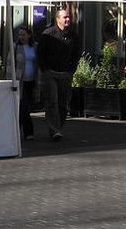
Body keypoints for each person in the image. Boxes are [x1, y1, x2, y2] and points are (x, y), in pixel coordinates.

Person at [37, 8, 82, 141]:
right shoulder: (48, 34)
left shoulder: (73, 35)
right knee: (52, 102)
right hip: (50, 73)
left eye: (68, 17)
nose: (67, 20)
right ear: (57, 20)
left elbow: (77, 53)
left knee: (63, 104)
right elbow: (40, 54)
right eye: (64, 17)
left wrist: (72, 69)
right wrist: (44, 69)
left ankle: (58, 127)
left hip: (65, 73)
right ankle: (54, 130)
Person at [14, 26, 38, 140]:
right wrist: (10, 81)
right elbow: (10, 65)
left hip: (32, 81)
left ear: (29, 35)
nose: (21, 37)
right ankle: (27, 132)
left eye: (23, 35)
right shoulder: (15, 47)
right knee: (22, 107)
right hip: (20, 81)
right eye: (19, 35)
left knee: (26, 107)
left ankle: (21, 131)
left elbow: (38, 63)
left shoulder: (34, 47)